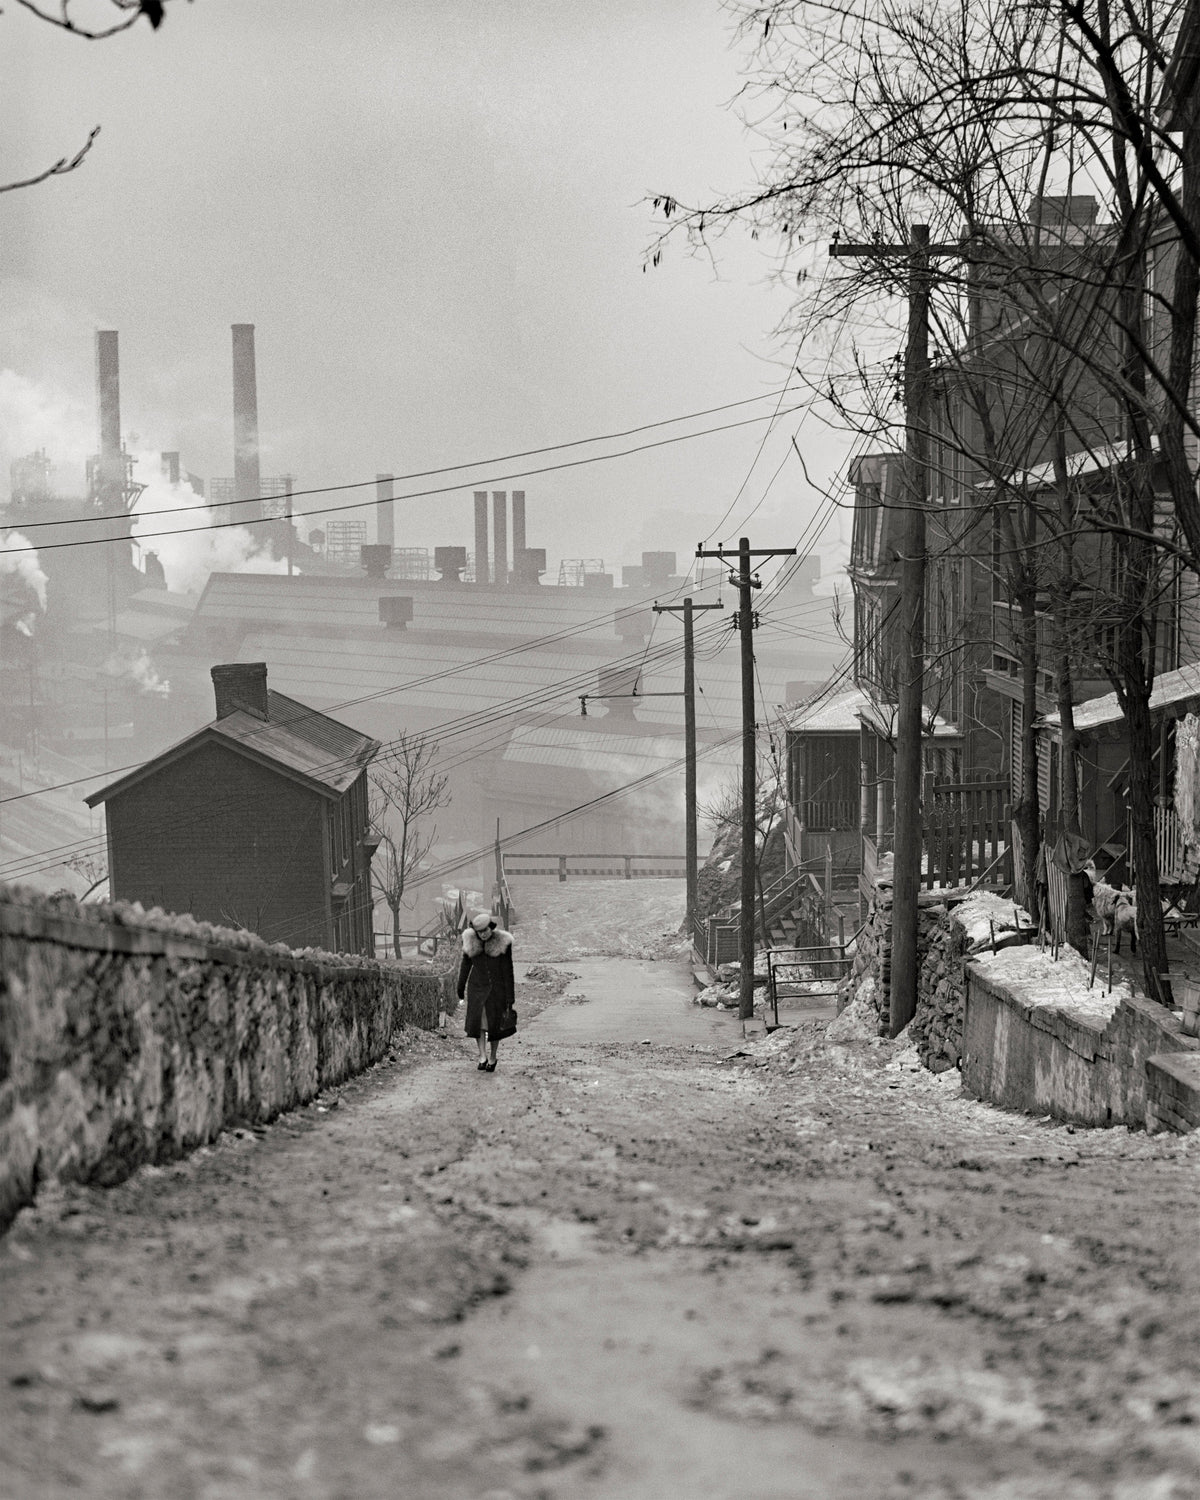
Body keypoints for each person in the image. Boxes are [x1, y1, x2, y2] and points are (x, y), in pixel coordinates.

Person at [457, 910, 515, 1072]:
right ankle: (482, 1056)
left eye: (485, 930)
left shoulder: (502, 943)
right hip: (476, 988)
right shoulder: (470, 942)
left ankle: (493, 1056)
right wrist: (460, 987)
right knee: (478, 1024)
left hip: (497, 990)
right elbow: (465, 965)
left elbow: (508, 970)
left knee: (494, 1026)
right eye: (479, 932)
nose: (483, 934)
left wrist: (510, 997)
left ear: (491, 927)